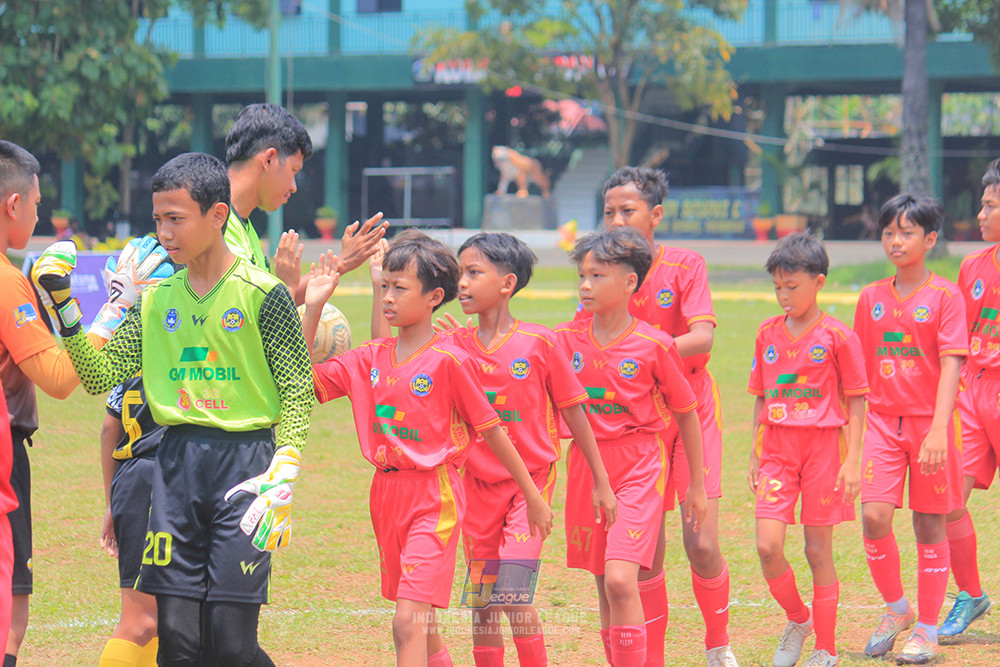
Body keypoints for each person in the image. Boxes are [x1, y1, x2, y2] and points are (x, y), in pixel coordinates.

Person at [31, 152, 315, 665]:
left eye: (176, 219)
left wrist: (287, 464)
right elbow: (98, 376)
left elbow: (296, 386)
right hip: (175, 467)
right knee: (178, 639)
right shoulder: (156, 300)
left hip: (246, 468)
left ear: (217, 215)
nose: (164, 233)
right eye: (158, 219)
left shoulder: (264, 294)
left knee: (231, 643)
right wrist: (66, 312)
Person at [306, 230, 554, 667]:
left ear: (435, 297)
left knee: (409, 622)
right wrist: (313, 309)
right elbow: (301, 380)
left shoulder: (450, 360)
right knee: (424, 625)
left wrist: (532, 495)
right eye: (384, 286)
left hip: (434, 496)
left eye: (400, 288)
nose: (388, 296)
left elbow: (493, 431)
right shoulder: (369, 358)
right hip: (385, 495)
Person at [0, 140, 158, 667]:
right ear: (13, 205)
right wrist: (112, 311)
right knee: (9, 618)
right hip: (3, 453)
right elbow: (61, 378)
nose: (39, 214)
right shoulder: (6, 283)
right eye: (37, 203)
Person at [433, 232, 617, 667]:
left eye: (473, 272)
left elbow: (575, 412)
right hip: (475, 487)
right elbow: (389, 351)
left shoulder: (539, 343)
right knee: (483, 601)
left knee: (513, 594)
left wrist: (602, 481)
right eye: (460, 273)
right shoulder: (453, 347)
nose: (462, 282)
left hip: (529, 486)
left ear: (507, 283)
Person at [575, 167, 733, 667]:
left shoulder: (685, 265)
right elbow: (579, 345)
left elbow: (703, 338)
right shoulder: (599, 274)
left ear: (656, 214)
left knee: (700, 541)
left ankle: (718, 644)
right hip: (633, 422)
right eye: (609, 212)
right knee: (641, 558)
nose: (617, 220)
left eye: (628, 210)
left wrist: (641, 355)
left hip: (688, 411)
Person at [555, 226, 707, 667]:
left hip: (638, 465)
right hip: (586, 467)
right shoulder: (564, 340)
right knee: (604, 583)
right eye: (582, 276)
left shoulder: (655, 345)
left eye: (597, 276)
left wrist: (696, 486)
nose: (585, 285)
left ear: (629, 283)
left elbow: (687, 413)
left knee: (622, 580)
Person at [852, 195, 967, 664]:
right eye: (888, 233)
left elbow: (952, 363)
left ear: (930, 239)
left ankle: (928, 629)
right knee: (874, 516)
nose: (896, 241)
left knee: (928, 522)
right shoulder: (870, 297)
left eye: (907, 232)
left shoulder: (946, 296)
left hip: (929, 423)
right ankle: (898, 610)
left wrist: (939, 429)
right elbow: (857, 372)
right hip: (881, 422)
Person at [749, 233, 867, 667]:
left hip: (823, 451)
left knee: (818, 552)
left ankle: (826, 649)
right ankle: (799, 620)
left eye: (792, 286)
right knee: (767, 546)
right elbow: (761, 396)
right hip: (777, 450)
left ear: (818, 282)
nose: (783, 295)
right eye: (777, 287)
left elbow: (857, 400)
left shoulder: (838, 336)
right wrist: (754, 454)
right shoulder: (766, 334)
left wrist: (852, 461)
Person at [223, 102, 388, 303]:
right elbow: (262, 310)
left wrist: (341, 264)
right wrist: (291, 288)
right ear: (269, 160)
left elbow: (264, 303)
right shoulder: (214, 225)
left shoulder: (241, 225)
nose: (294, 187)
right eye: (293, 171)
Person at [938, 158, 1000, 638]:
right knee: (948, 501)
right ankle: (971, 593)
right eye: (982, 204)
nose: (980, 214)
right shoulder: (971, 267)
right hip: (972, 393)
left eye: (991, 206)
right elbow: (954, 340)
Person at [97, 375, 161, 667]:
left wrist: (112, 502)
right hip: (158, 480)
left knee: (163, 617)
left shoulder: (130, 358)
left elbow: (109, 427)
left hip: (133, 480)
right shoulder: (180, 357)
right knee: (141, 621)